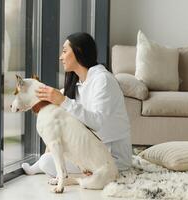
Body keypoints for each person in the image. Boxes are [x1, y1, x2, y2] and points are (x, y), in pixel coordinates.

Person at [22, 32, 132, 177]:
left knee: (47, 162)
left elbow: (96, 122)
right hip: (88, 149)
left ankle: (42, 165)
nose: (60, 57)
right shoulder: (77, 82)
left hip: (111, 157)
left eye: (64, 51)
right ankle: (42, 164)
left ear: (79, 52)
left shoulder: (102, 80)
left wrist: (62, 101)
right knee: (51, 151)